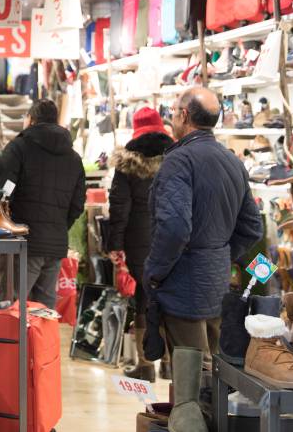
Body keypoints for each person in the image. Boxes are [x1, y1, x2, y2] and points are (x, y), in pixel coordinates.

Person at [145, 87, 263, 369]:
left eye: (173, 111)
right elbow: (252, 227)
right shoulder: (232, 161)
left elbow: (175, 229)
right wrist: (218, 255)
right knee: (216, 371)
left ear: (184, 116)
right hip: (217, 282)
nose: (172, 117)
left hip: (182, 284)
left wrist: (155, 271)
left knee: (193, 374)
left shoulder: (179, 161)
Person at [0, 99, 86, 308]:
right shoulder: (73, 158)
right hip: (55, 245)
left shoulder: (18, 148)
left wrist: (6, 223)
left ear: (31, 119)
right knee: (44, 311)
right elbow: (78, 204)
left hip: (22, 243)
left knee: (12, 308)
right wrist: (59, 226)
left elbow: (0, 192)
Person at [107, 107, 173, 382]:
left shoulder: (127, 164)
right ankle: (169, 364)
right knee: (169, 298)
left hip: (138, 240)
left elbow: (119, 206)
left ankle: (146, 365)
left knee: (144, 299)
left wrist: (114, 244)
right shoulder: (177, 158)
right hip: (172, 237)